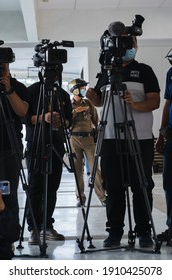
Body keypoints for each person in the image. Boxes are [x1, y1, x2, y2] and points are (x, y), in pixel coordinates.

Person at [86, 35, 160, 248]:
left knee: (142, 185)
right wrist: (93, 97)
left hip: (140, 137)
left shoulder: (144, 70)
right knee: (114, 187)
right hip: (110, 137)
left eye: (133, 45)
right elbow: (100, 101)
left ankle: (144, 231)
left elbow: (154, 100)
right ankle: (115, 232)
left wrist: (136, 105)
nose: (130, 48)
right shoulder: (106, 72)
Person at [24, 71, 72, 245]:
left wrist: (62, 123)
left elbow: (69, 120)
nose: (53, 76)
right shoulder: (32, 91)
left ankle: (47, 226)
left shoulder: (63, 94)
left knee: (52, 187)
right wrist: (43, 118)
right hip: (36, 143)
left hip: (56, 144)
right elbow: (24, 117)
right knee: (35, 186)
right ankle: (34, 228)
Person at [0, 62, 29, 258]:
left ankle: (7, 240)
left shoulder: (17, 86)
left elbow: (23, 112)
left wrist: (8, 89)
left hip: (9, 149)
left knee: (7, 194)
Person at [69, 78, 106, 207]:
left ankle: (102, 197)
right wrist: (74, 112)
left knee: (95, 169)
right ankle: (80, 197)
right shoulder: (68, 105)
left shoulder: (88, 103)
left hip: (89, 140)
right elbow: (65, 122)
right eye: (82, 88)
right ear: (75, 90)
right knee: (78, 170)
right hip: (74, 140)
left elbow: (95, 121)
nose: (84, 90)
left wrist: (97, 133)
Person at [155, 49, 172, 242]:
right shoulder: (171, 73)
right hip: (171, 136)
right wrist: (161, 135)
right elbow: (167, 102)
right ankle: (171, 228)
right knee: (169, 183)